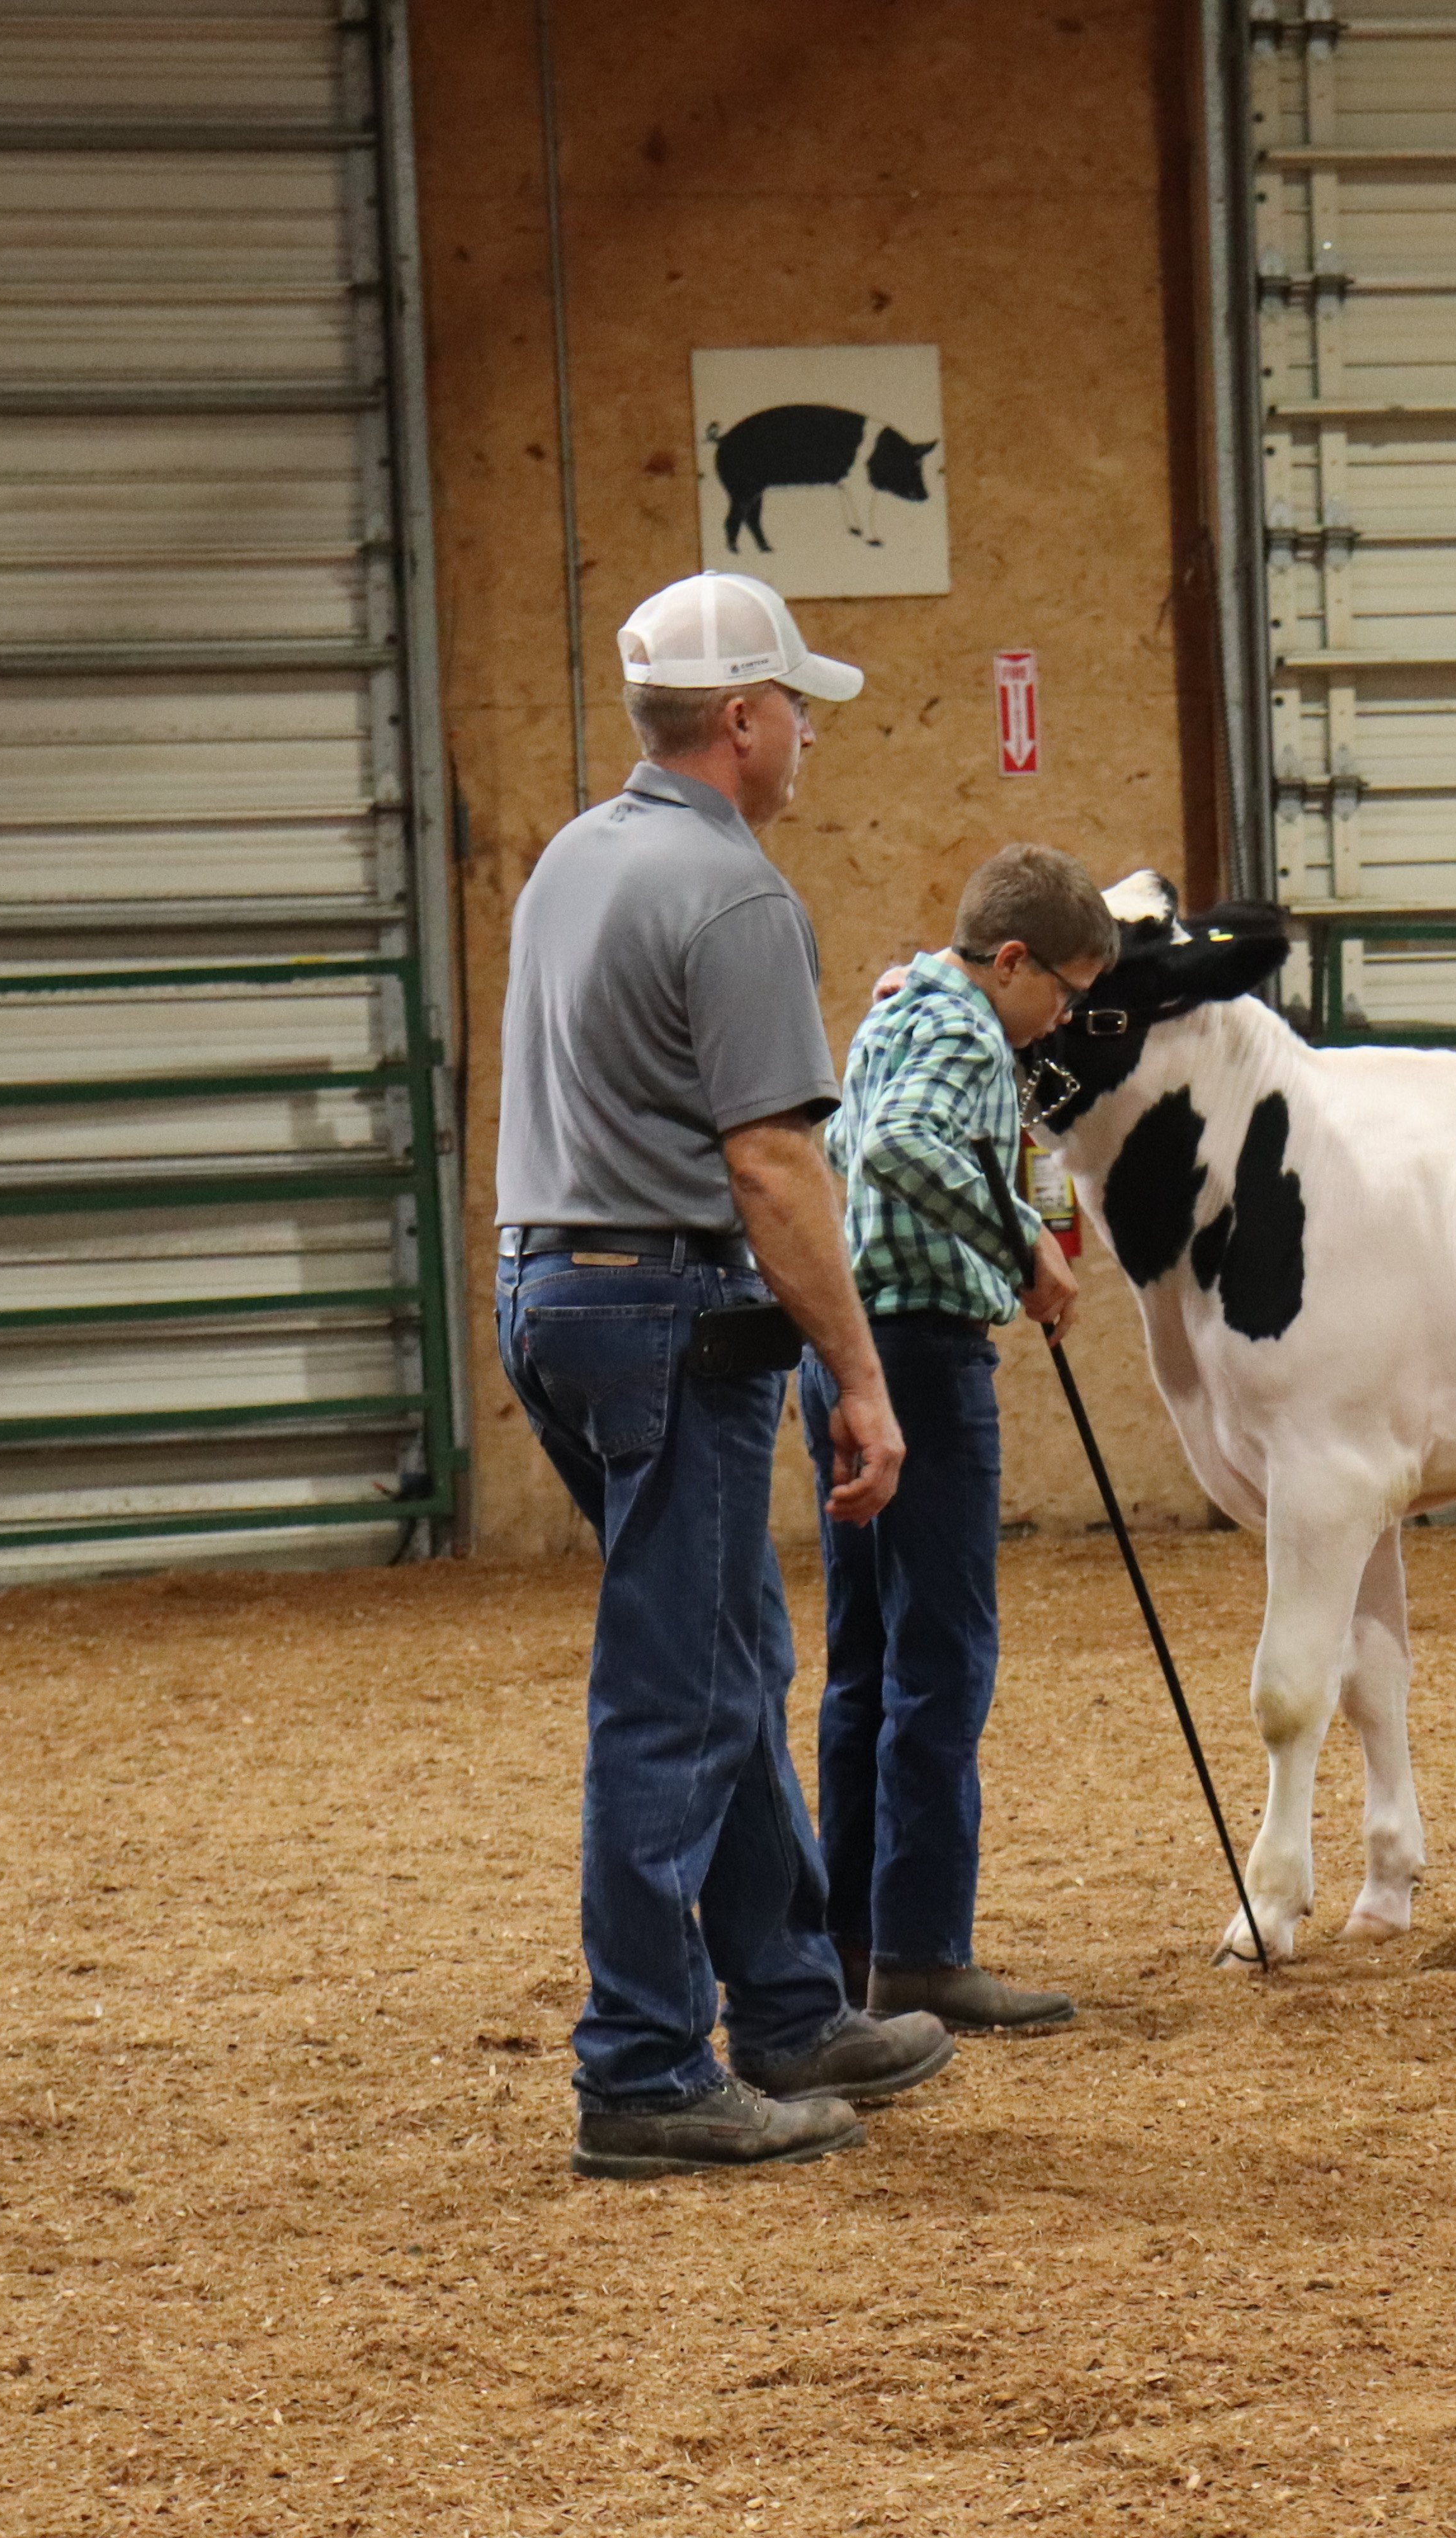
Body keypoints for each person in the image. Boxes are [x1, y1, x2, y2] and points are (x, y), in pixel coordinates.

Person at [492, 570, 956, 2178]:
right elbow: (772, 1169)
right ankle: (639, 2062)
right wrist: (865, 1377)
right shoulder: (739, 895)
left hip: (551, 1287)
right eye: (799, 707)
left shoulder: (574, 858)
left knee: (732, 1650)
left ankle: (783, 1992)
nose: (812, 732)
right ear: (745, 719)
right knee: (677, 1691)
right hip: (671, 1313)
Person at [799, 845, 1118, 2033]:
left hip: (850, 1351)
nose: (1066, 1018)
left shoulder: (896, 1011)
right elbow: (894, 1152)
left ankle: (851, 1945)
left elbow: (842, 1143)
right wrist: (1020, 1240)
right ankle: (925, 1950)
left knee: (868, 1666)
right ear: (1017, 960)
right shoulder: (972, 1031)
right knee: (941, 1660)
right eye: (1068, 993)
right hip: (925, 1359)